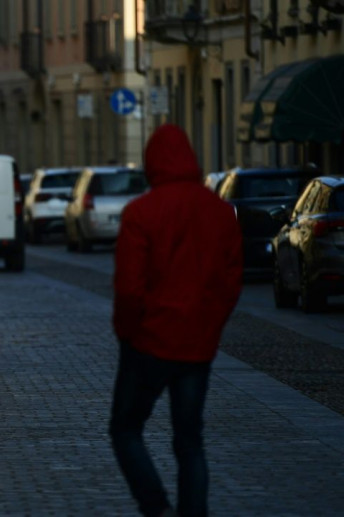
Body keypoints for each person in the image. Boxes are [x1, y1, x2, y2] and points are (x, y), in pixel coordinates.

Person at [109, 124, 243, 517]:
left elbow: (129, 287)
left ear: (152, 163)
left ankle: (156, 508)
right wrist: (211, 326)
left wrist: (127, 332)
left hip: (148, 342)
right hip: (197, 344)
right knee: (190, 441)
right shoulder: (220, 212)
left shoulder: (141, 213)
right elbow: (231, 281)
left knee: (125, 428)